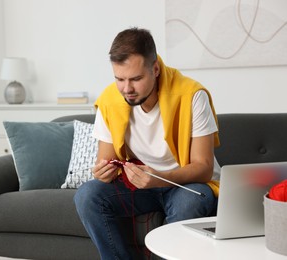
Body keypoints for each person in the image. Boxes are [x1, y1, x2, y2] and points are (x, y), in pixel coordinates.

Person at [74, 27, 221, 260]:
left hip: (186, 184)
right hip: (141, 185)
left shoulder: (192, 95)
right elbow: (107, 161)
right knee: (87, 195)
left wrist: (159, 177)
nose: (127, 89)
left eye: (136, 79)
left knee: (194, 199)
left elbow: (203, 168)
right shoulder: (110, 99)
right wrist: (104, 172)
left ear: (155, 69)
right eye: (119, 79)